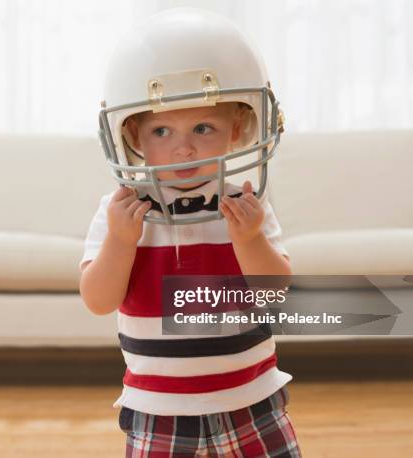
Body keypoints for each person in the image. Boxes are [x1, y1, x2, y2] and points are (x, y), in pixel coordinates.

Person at [80, 7, 302, 457]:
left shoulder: (245, 204)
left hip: (252, 400)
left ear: (237, 128)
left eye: (203, 127)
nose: (182, 146)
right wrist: (122, 241)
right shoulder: (121, 210)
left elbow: (275, 293)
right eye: (161, 130)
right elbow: (98, 300)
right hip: (157, 407)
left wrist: (249, 238)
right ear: (135, 138)